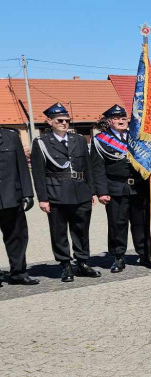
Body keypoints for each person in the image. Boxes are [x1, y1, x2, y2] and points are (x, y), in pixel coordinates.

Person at [31, 103, 105, 283]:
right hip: (56, 193)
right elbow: (39, 173)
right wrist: (43, 198)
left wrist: (92, 191)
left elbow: (87, 167)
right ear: (49, 121)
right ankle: (65, 265)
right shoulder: (41, 143)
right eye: (60, 120)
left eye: (66, 120)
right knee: (59, 232)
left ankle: (82, 262)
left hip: (80, 192)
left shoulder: (78, 140)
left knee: (81, 230)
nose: (64, 123)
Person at [93, 105, 151, 271]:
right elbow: (98, 168)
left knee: (141, 223)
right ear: (109, 121)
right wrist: (101, 191)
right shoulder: (100, 140)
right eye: (117, 119)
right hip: (116, 188)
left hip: (139, 188)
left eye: (123, 118)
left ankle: (144, 254)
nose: (121, 121)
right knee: (117, 224)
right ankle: (119, 257)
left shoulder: (137, 137)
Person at [0, 126, 38, 285]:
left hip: (11, 196)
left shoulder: (11, 136)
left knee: (17, 236)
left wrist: (28, 192)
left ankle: (18, 272)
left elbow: (22, 166)